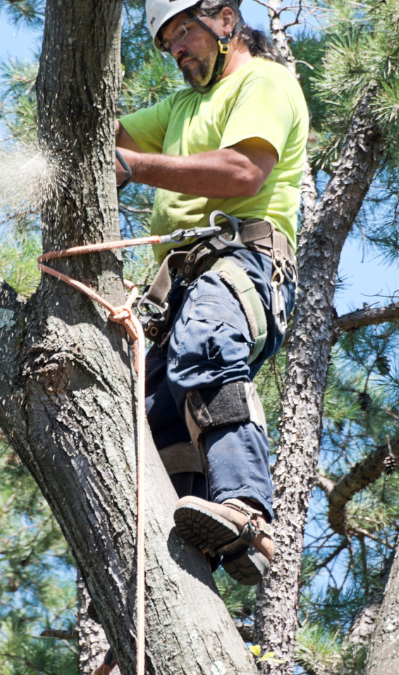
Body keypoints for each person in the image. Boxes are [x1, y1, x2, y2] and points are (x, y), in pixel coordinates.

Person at [114, 0, 309, 586]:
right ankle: (190, 558)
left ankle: (246, 509)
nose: (177, 49)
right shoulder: (178, 108)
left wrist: (136, 167)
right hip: (177, 293)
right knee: (152, 421)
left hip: (241, 261)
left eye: (184, 33)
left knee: (204, 347)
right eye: (167, 42)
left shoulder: (263, 82)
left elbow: (243, 172)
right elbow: (107, 139)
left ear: (225, 19)